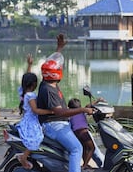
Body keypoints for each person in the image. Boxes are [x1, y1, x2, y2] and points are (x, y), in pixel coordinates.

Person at [37, 34, 94, 172]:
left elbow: (52, 63)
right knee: (77, 148)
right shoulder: (49, 90)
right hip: (54, 125)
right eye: (59, 69)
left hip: (60, 123)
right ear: (57, 74)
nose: (61, 68)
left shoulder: (48, 82)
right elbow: (60, 112)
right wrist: (82, 110)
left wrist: (59, 48)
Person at [16, 54, 54, 169]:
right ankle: (24, 157)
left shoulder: (23, 91)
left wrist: (29, 65)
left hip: (28, 119)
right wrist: (50, 111)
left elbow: (27, 77)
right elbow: (36, 110)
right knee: (37, 139)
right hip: (31, 121)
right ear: (34, 84)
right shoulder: (31, 96)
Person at [68, 97, 104, 170]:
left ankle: (85, 164)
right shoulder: (82, 111)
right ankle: (85, 165)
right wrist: (98, 100)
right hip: (83, 132)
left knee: (84, 148)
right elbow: (89, 105)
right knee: (92, 148)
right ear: (80, 106)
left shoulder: (70, 113)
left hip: (76, 133)